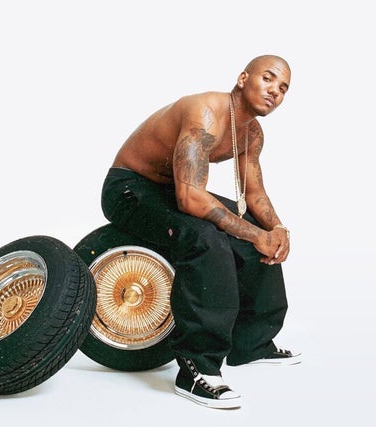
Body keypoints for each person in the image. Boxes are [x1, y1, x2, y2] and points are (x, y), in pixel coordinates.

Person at [100, 55, 300, 409]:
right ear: (243, 78)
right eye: (268, 78)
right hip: (129, 188)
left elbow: (254, 194)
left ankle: (252, 344)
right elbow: (190, 197)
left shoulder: (252, 133)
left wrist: (277, 229)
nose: (275, 91)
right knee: (207, 239)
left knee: (256, 230)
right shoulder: (205, 112)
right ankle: (197, 369)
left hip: (173, 189)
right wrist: (257, 236)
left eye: (283, 88)